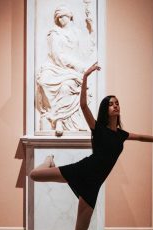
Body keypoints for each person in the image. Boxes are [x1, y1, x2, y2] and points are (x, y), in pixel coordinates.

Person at [30, 62, 153, 230]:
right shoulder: (98, 128)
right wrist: (84, 77)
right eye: (111, 104)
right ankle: (49, 160)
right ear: (106, 109)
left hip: (93, 184)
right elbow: (83, 106)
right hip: (82, 170)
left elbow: (142, 137)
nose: (115, 106)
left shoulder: (121, 134)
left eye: (117, 103)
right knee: (35, 175)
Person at [36, 5, 95, 136]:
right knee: (50, 82)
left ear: (69, 17)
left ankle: (62, 120)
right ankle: (58, 120)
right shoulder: (54, 34)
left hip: (71, 70)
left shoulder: (77, 33)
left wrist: (91, 28)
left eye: (63, 16)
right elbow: (57, 56)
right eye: (58, 17)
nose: (60, 19)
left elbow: (86, 50)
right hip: (56, 67)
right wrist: (76, 66)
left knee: (67, 86)